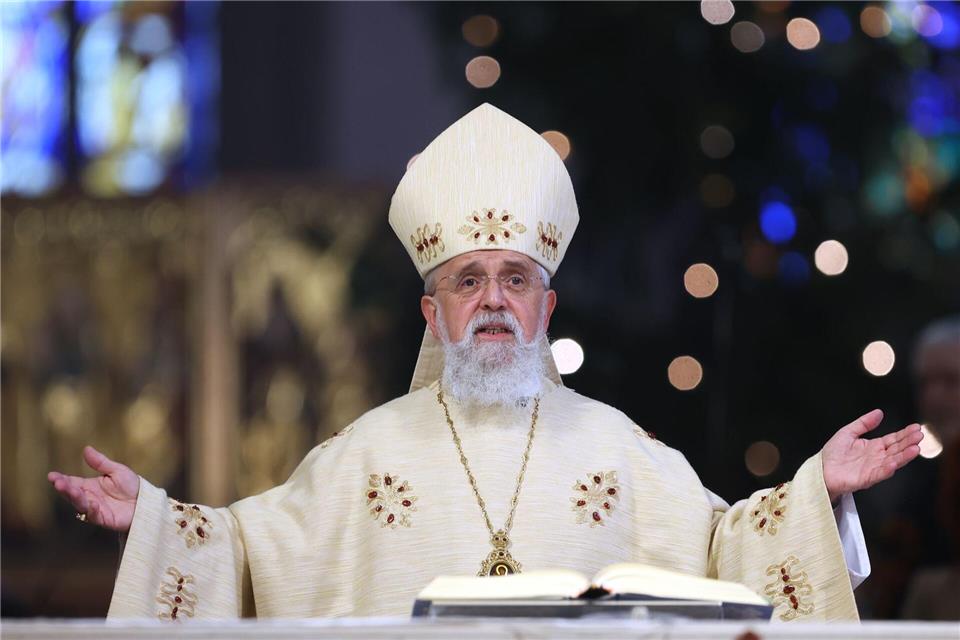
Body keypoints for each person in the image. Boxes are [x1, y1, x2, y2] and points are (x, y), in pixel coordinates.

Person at [48, 104, 923, 622]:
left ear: (547, 308)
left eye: (516, 280)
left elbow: (725, 548)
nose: (495, 299)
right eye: (469, 281)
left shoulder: (620, 446)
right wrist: (157, 522)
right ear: (435, 310)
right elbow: (249, 557)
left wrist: (821, 493)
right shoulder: (366, 452)